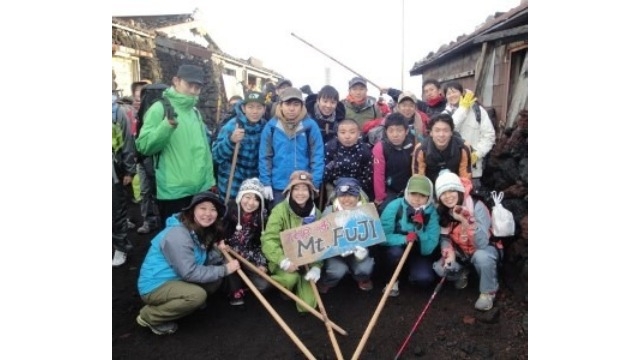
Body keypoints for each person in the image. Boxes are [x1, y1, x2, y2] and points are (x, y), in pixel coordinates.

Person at [136, 191, 241, 335]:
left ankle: (183, 302)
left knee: (214, 281)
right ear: (192, 210)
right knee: (197, 296)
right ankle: (149, 316)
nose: (208, 213)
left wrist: (217, 250)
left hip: (176, 277)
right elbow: (189, 272)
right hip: (155, 285)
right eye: (202, 208)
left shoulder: (198, 229)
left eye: (213, 209)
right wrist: (225, 269)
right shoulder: (178, 234)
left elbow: (200, 257)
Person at [136, 64, 215, 225]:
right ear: (176, 81)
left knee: (197, 236)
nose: (193, 90)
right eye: (189, 85)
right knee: (175, 239)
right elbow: (143, 145)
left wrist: (210, 182)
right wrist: (166, 127)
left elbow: (203, 150)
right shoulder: (159, 108)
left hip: (199, 189)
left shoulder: (194, 112)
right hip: (173, 192)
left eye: (197, 87)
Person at [432, 170, 498, 311]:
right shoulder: (443, 211)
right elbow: (445, 237)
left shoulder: (477, 206)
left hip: (482, 248)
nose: (448, 196)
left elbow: (482, 242)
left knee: (482, 257)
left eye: (451, 191)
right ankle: (462, 272)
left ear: (459, 190)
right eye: (443, 193)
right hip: (462, 251)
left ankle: (488, 291)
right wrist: (448, 252)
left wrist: (464, 221)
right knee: (440, 267)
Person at [261, 171, 323, 312]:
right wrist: (283, 261)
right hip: (284, 260)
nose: (300, 193)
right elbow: (268, 239)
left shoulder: (316, 213)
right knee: (290, 279)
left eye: (305, 189)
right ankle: (284, 286)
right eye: (296, 188)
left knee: (308, 306)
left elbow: (321, 243)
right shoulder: (279, 210)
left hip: (305, 262)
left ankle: (299, 285)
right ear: (290, 190)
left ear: (310, 192)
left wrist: (317, 267)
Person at [259, 87, 324, 207]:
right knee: (278, 222)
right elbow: (265, 157)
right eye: (288, 103)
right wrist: (265, 183)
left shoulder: (310, 126)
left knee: (303, 224)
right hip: (278, 186)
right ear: (281, 105)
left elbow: (317, 156)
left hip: (302, 186)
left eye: (296, 104)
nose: (292, 108)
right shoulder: (271, 127)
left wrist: (315, 182)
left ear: (302, 106)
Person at [379, 175, 440, 297]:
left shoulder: (432, 213)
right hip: (397, 248)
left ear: (429, 197)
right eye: (413, 194)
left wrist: (420, 230)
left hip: (419, 251)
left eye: (422, 196)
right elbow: (382, 237)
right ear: (407, 192)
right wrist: (404, 239)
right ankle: (392, 281)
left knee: (424, 279)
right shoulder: (394, 206)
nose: (417, 199)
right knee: (394, 254)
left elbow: (429, 248)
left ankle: (409, 273)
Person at [316, 178, 374, 293]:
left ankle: (362, 278)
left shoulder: (367, 211)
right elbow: (321, 239)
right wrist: (336, 249)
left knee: (365, 268)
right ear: (337, 196)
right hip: (334, 254)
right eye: (342, 195)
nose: (346, 199)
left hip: (358, 250)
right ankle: (328, 281)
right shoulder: (328, 212)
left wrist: (363, 250)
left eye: (351, 195)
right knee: (336, 271)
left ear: (358, 196)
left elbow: (372, 236)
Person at [221, 178, 271, 306]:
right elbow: (215, 233)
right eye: (247, 197)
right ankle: (234, 289)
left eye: (256, 199)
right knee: (229, 264)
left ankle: (245, 279)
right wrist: (220, 243)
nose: (251, 203)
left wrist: (261, 263)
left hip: (249, 254)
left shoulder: (262, 217)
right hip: (228, 253)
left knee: (264, 286)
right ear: (240, 196)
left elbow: (260, 244)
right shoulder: (227, 210)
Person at [213, 91, 267, 201]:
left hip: (254, 182)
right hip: (232, 181)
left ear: (264, 109)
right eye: (250, 107)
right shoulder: (232, 126)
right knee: (230, 213)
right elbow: (215, 156)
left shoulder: (266, 128)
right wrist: (230, 141)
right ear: (243, 108)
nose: (255, 111)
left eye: (259, 107)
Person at [442, 82, 496, 189]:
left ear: (462, 92)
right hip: (451, 169)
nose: (452, 95)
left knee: (472, 200)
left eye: (454, 92)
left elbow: (489, 135)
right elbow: (449, 128)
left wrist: (478, 153)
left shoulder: (478, 111)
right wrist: (463, 109)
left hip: (473, 169)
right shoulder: (444, 114)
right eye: (448, 93)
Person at [412, 113, 472, 185]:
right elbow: (419, 180)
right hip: (430, 187)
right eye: (437, 130)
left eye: (446, 130)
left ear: (451, 132)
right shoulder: (421, 149)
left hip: (455, 187)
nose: (441, 135)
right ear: (431, 132)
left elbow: (465, 179)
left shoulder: (463, 147)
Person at [112, 91, 136, 267]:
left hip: (113, 169)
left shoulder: (116, 112)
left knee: (115, 210)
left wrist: (129, 170)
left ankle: (121, 247)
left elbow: (127, 142)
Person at [323, 118, 373, 202]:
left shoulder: (365, 150)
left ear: (358, 134)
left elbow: (367, 176)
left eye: (352, 132)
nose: (347, 136)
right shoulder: (330, 147)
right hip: (334, 184)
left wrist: (353, 186)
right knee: (335, 205)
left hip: (357, 186)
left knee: (360, 204)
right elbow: (325, 172)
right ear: (337, 134)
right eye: (343, 132)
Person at [372, 113, 415, 210]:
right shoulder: (380, 147)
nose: (395, 135)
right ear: (386, 132)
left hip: (410, 188)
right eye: (391, 131)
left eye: (399, 130)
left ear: (406, 131)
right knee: (386, 210)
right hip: (389, 190)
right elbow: (378, 174)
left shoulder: (413, 143)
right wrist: (380, 197)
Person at [381, 78, 447, 120]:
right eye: (426, 91)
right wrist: (389, 90)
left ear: (439, 90)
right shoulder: (425, 106)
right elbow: (406, 96)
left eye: (431, 90)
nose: (429, 93)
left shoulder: (447, 105)